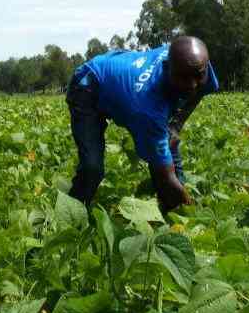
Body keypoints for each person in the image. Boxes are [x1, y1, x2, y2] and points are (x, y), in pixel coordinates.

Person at [66, 36, 218, 212]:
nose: (193, 85)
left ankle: (172, 208)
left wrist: (175, 125)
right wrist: (191, 214)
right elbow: (164, 176)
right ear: (167, 68)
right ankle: (71, 217)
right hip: (88, 85)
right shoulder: (147, 108)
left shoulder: (193, 63)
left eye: (198, 76)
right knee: (92, 168)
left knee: (168, 139)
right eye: (184, 78)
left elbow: (201, 89)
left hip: (119, 74)